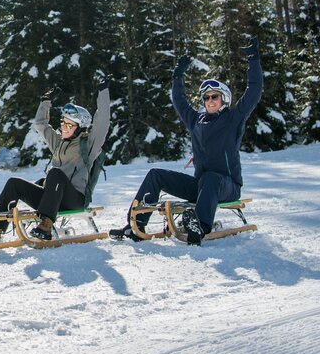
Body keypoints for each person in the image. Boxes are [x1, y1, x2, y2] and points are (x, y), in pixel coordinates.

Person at [110, 37, 263, 245]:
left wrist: (253, 60)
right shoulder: (196, 121)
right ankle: (135, 225)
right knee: (156, 175)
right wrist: (177, 75)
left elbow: (253, 91)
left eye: (214, 97)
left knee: (211, 177)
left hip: (227, 186)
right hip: (201, 186)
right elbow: (179, 101)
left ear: (223, 99)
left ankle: (199, 226)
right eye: (206, 97)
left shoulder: (233, 119)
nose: (209, 100)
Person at [0, 81, 111, 242]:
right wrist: (45, 101)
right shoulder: (58, 142)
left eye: (70, 125)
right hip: (53, 197)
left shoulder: (89, 144)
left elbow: (103, 122)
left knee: (55, 173)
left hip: (75, 199)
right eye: (63, 122)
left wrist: (103, 92)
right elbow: (40, 124)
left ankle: (46, 225)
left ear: (79, 128)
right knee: (14, 183)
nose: (64, 127)